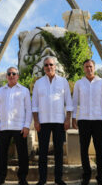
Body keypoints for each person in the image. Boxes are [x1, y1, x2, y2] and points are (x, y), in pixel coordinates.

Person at [32, 57, 73, 185]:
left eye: (51, 64)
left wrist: (67, 119)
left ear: (55, 66)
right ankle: (42, 179)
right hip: (43, 122)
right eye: (46, 65)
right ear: (43, 68)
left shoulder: (63, 82)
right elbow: (34, 104)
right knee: (42, 152)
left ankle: (58, 179)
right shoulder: (38, 83)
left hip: (59, 121)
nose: (49, 67)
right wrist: (36, 121)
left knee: (59, 151)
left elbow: (69, 103)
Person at [72, 59, 102, 185]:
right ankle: (86, 175)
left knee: (99, 149)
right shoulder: (79, 83)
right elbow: (74, 101)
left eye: (90, 66)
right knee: (83, 149)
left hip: (98, 120)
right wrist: (74, 117)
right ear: (83, 69)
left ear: (94, 67)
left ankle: (100, 176)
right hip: (83, 120)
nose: (89, 69)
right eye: (86, 67)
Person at [0, 67, 32, 185]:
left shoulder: (24, 91)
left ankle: (23, 178)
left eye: (14, 73)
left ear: (18, 76)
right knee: (1, 155)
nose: (11, 75)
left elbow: (28, 110)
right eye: (9, 73)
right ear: (6, 76)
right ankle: (1, 178)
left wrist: (26, 126)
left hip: (19, 127)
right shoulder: (0, 91)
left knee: (23, 154)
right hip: (3, 127)